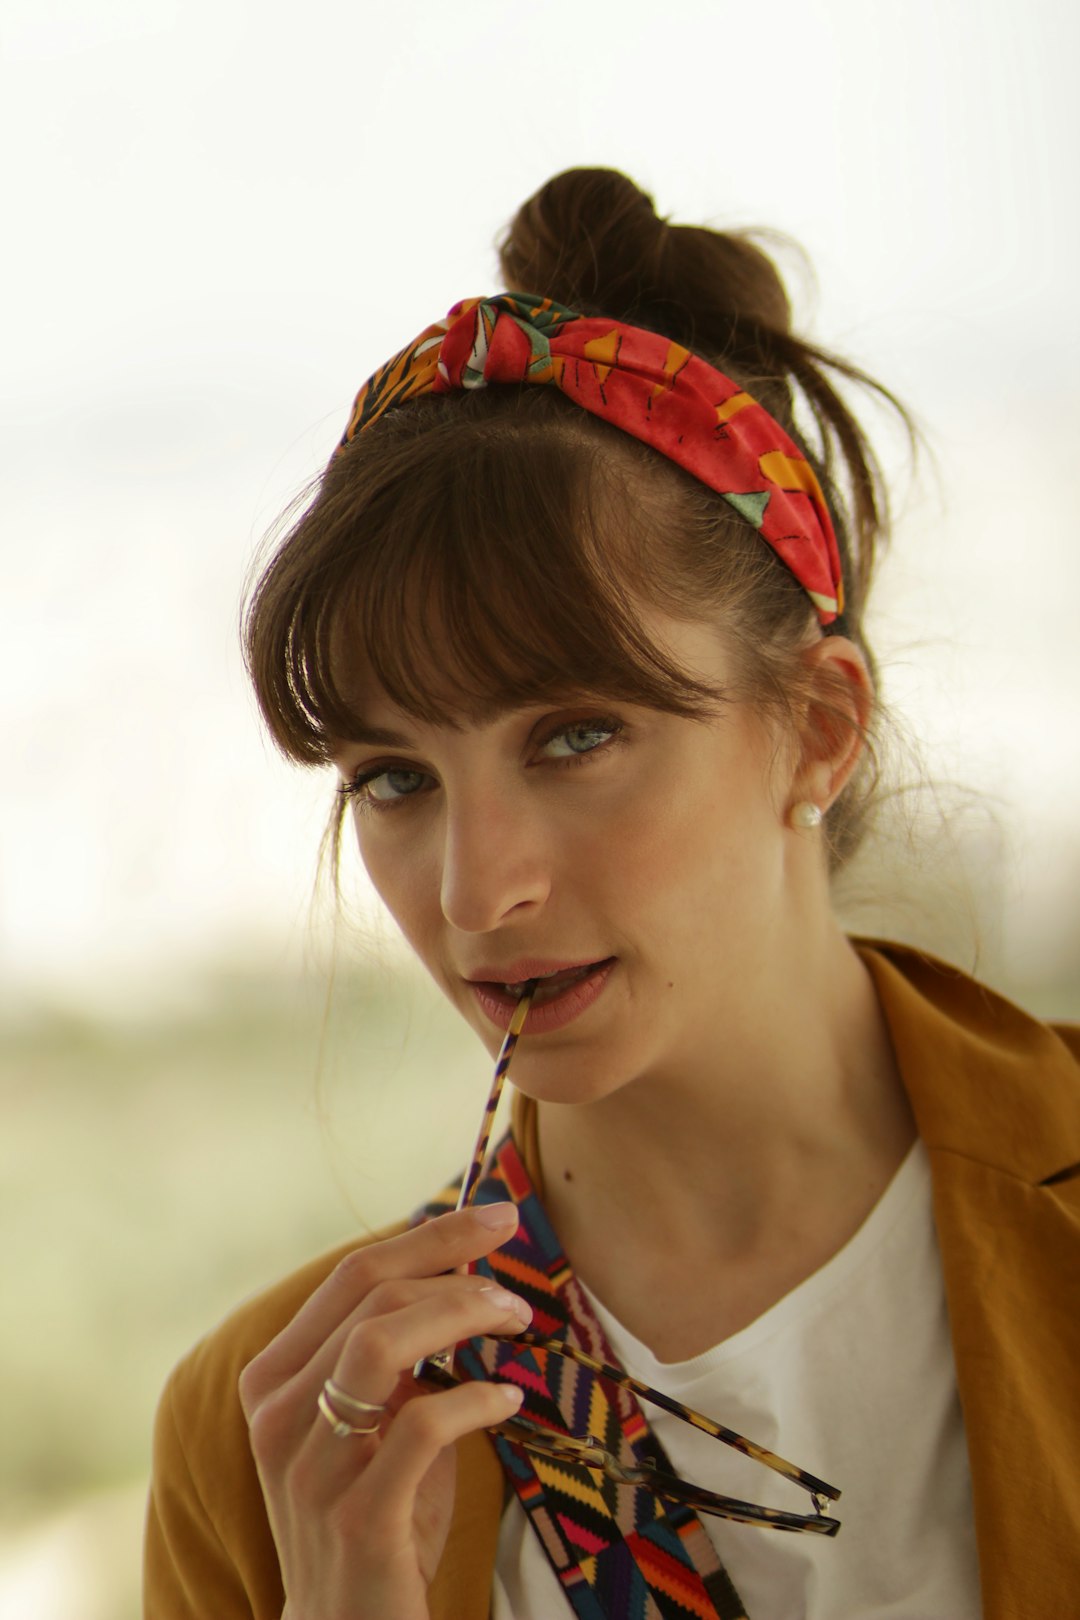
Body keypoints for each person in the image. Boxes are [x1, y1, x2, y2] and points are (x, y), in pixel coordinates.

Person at [143, 168, 1080, 1620]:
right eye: (395, 776)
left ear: (818, 728)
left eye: (576, 737)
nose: (477, 891)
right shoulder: (272, 1435)